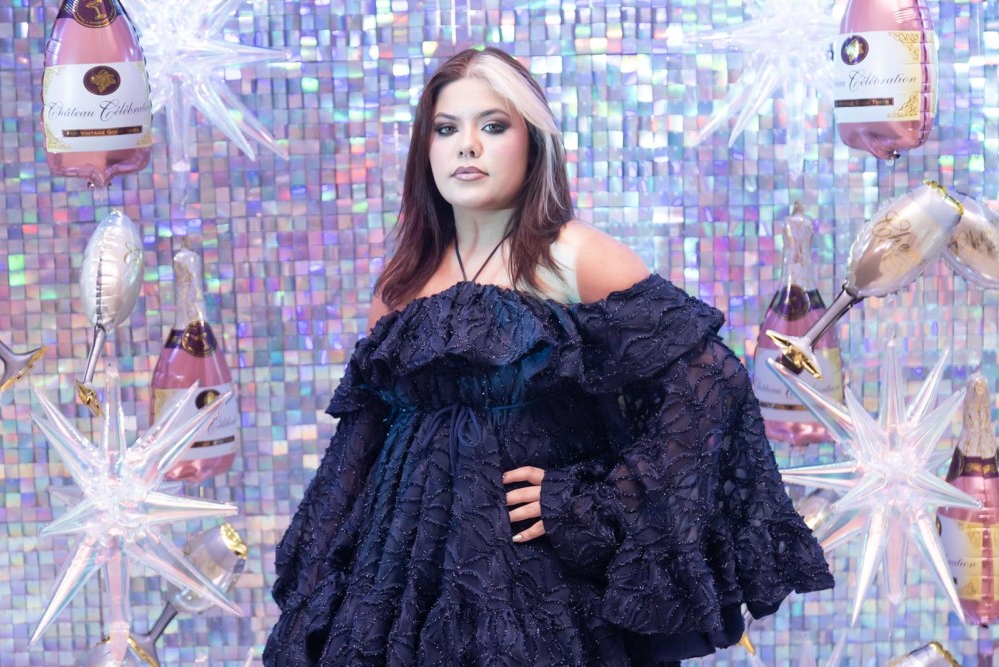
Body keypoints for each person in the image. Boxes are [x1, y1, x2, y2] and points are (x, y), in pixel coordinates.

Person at [264, 47, 833, 666]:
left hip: (534, 583)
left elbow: (711, 384)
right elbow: (364, 440)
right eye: (447, 129)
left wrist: (598, 501)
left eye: (493, 126)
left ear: (534, 143)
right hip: (401, 578)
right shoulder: (402, 282)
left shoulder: (575, 256)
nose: (467, 146)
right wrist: (320, 570)